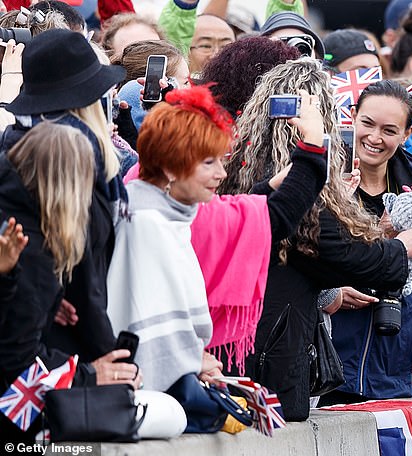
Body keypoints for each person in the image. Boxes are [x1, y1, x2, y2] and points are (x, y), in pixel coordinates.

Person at [221, 58, 412, 421]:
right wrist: (403, 247)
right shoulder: (293, 175)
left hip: (235, 344)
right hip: (268, 356)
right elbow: (337, 252)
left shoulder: (238, 166)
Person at [108, 83, 329, 392]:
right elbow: (274, 219)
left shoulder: (153, 199)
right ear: (171, 167)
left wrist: (273, 185)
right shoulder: (149, 221)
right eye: (209, 162)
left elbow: (238, 214)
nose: (223, 174)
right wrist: (314, 145)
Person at [0, 123, 141, 444]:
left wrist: (47, 303)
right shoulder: (31, 247)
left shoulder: (17, 225)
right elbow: (15, 360)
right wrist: (90, 374)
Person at [322, 79, 412, 403]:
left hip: (392, 357)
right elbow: (298, 249)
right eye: (367, 123)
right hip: (329, 352)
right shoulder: (322, 175)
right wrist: (330, 292)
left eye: (389, 130)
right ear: (352, 116)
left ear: (407, 134)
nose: (374, 138)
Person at [2, 29, 128, 363]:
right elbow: (84, 281)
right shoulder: (63, 163)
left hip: (50, 343)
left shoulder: (20, 147)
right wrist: (109, 359)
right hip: (50, 357)